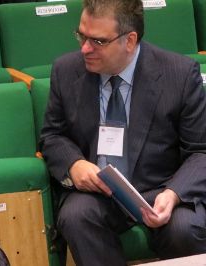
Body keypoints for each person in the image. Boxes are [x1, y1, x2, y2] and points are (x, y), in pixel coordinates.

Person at [39, 0, 206, 265]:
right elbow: (52, 135)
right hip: (99, 192)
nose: (85, 48)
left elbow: (200, 151)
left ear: (130, 40)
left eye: (98, 41)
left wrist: (173, 193)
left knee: (186, 229)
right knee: (75, 216)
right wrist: (74, 164)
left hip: (160, 188)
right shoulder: (66, 70)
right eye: (81, 35)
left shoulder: (180, 74)